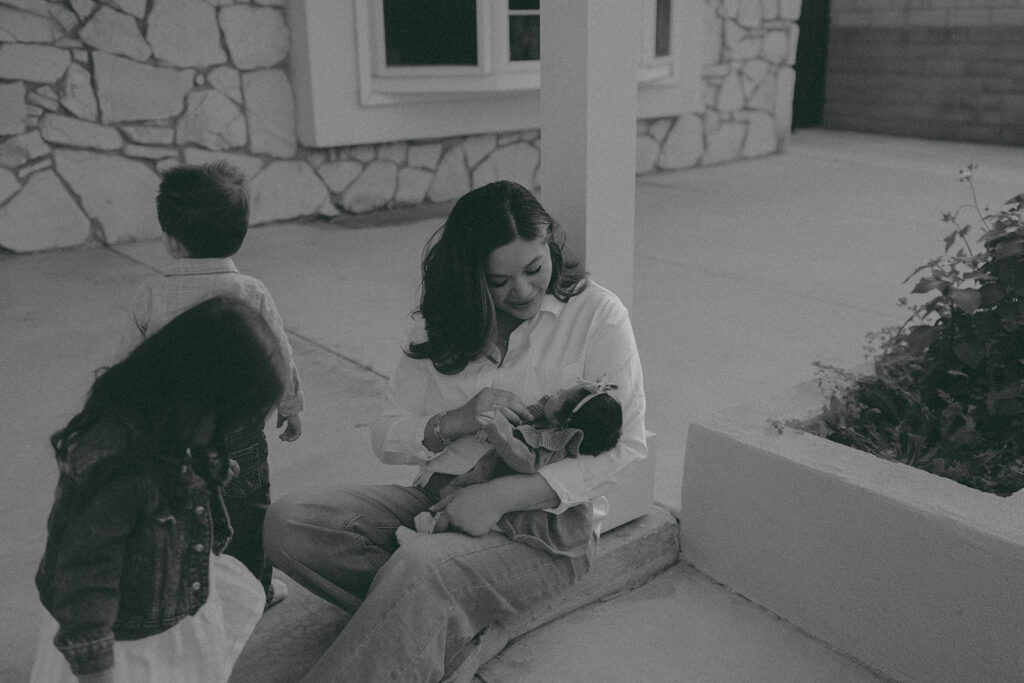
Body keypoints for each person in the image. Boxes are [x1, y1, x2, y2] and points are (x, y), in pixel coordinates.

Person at [265, 180, 647, 682]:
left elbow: (628, 445)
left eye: (535, 269)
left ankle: (421, 615)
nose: (524, 291)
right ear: (470, 278)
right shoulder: (438, 324)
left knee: (421, 568)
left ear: (550, 245)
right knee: (289, 524)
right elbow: (384, 435)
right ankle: (452, 630)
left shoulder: (598, 314)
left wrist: (500, 495)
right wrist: (456, 421)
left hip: (540, 535)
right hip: (432, 504)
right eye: (499, 281)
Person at [31, 296, 287, 683]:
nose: (226, 433)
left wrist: (208, 469)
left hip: (166, 606)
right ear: (194, 396)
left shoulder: (166, 426)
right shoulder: (117, 467)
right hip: (125, 643)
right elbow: (84, 576)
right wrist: (98, 670)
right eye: (224, 418)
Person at [118, 160, 303, 609]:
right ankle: (254, 590)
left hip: (172, 431)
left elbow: (127, 366)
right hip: (238, 429)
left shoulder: (150, 294)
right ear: (239, 233)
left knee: (181, 507)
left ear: (170, 238)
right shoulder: (251, 291)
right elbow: (277, 352)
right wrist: (291, 404)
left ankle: (190, 591)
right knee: (246, 508)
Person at [403, 377, 623, 559]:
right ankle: (428, 527)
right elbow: (525, 418)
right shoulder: (545, 420)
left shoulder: (551, 443)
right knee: (453, 494)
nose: (557, 391)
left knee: (461, 504)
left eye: (561, 395)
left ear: (563, 422)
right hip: (487, 473)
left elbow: (525, 460)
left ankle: (425, 537)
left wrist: (499, 433)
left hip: (499, 479)